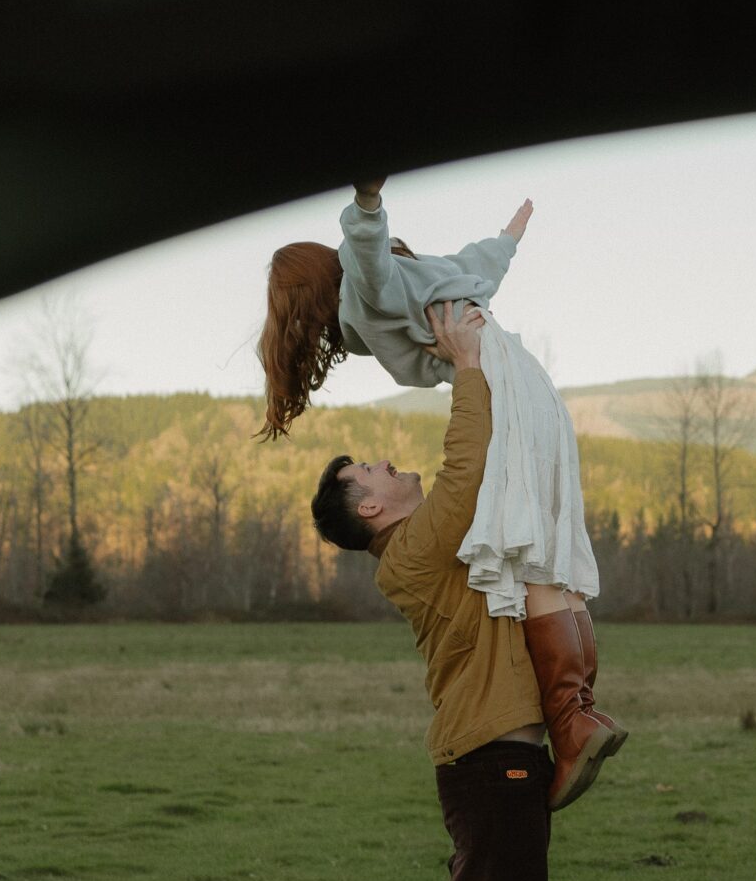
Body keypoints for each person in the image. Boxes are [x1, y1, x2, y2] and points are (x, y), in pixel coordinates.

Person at [260, 178, 621, 816]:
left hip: (501, 386)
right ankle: (578, 714)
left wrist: (494, 239)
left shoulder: (384, 293)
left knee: (529, 554)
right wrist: (373, 206)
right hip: (523, 388)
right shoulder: (379, 291)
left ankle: (573, 721)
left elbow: (428, 266)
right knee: (543, 558)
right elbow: (434, 265)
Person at [309, 305, 575, 881]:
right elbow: (466, 472)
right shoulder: (411, 551)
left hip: (496, 764)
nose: (385, 461)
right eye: (370, 471)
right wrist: (466, 366)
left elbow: (485, 485)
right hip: (491, 765)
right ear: (371, 509)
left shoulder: (429, 547)